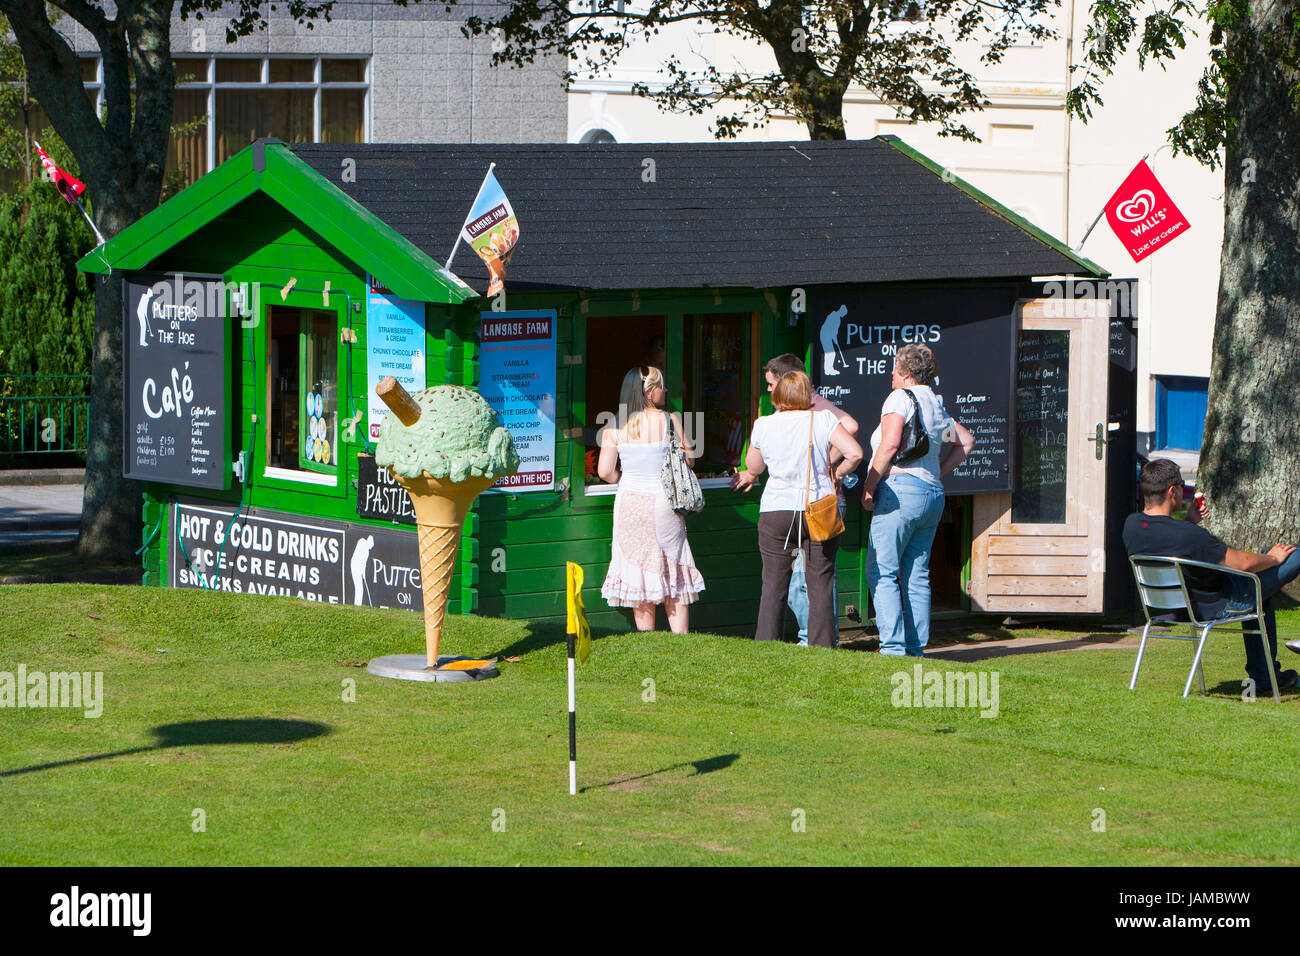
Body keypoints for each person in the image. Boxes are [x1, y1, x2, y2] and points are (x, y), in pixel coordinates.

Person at [1122, 458, 1300, 692]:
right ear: (1173, 491)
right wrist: (1274, 559)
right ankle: (1265, 676)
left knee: (1261, 587)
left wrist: (1189, 521)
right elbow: (1242, 564)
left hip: (1167, 608)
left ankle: (1266, 678)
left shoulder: (1132, 525)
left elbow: (1166, 539)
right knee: (1293, 555)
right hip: (1217, 604)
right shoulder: (1188, 535)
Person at [732, 353, 859, 645]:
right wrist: (835, 473)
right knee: (820, 583)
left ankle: (767, 646)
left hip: (777, 509)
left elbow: (753, 468)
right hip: (817, 507)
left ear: (778, 394)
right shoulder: (824, 418)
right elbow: (855, 452)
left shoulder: (763, 425)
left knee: (774, 582)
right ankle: (823, 648)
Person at [861, 343, 975, 657]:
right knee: (916, 572)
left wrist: (870, 485)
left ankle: (893, 647)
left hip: (898, 489)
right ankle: (915, 648)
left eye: (895, 370)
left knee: (881, 571)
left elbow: (890, 443)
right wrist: (937, 472)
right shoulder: (935, 404)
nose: (891, 376)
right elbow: (966, 442)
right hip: (931, 494)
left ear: (907, 373)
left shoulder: (900, 398)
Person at [598, 365, 705, 632]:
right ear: (648, 392)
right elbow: (689, 461)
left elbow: (605, 472)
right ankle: (680, 640)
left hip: (630, 503)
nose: (666, 390)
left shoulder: (614, 424)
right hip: (664, 503)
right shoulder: (670, 420)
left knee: (638, 570)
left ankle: (648, 642)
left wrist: (625, 478)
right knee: (673, 567)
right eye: (661, 386)